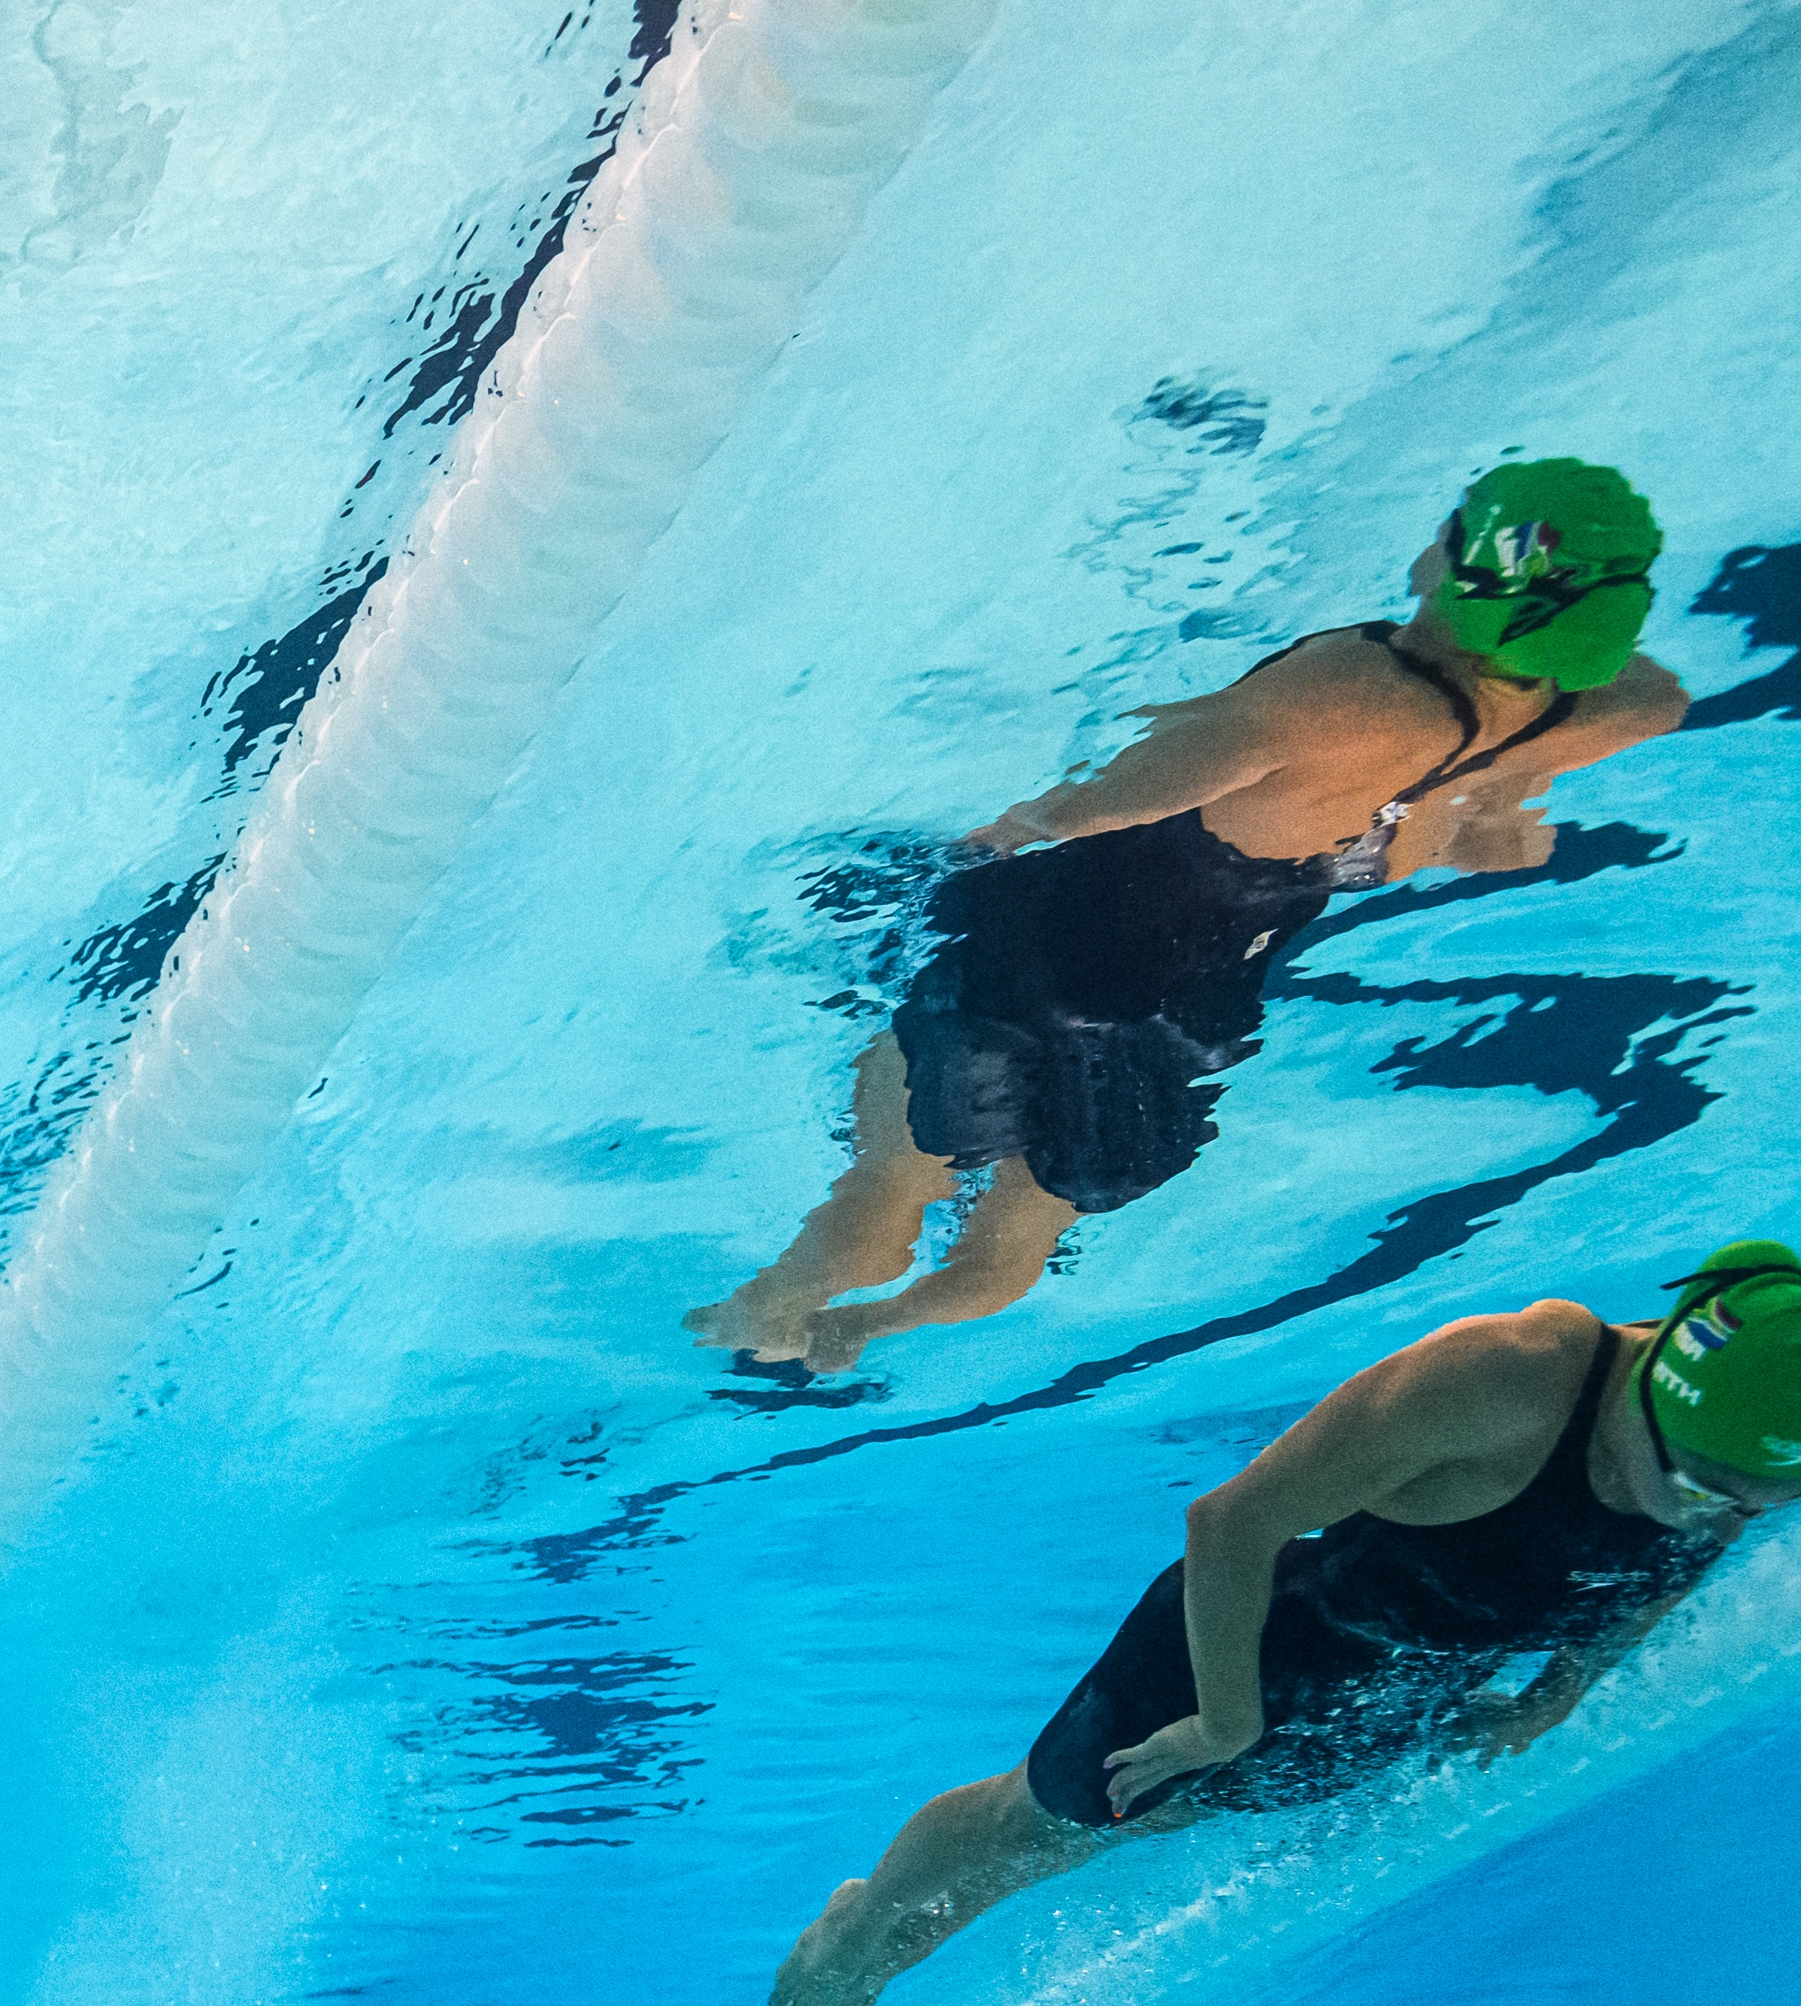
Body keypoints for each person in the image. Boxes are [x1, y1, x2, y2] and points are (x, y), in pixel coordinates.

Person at [696, 463, 1685, 1371]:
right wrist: (1492, 811)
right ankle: (867, 1330)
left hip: (1058, 946)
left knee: (885, 1188)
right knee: (1016, 1240)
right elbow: (1521, 774)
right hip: (1197, 1005)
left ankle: (746, 1326)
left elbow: (1102, 801)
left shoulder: (1346, 696)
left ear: (1453, 560)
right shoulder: (1614, 706)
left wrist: (999, 827)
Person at [771, 1245, 1801, 2006]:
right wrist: (1223, 1722)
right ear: (1662, 1388)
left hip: (1380, 1702)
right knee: (1031, 1817)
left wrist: (1562, 1685)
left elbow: (1654, 1572)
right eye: (1704, 1490)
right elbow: (1232, 1519)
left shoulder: (1720, 1472)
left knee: (1101, 1843)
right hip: (1240, 1655)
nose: (1716, 1520)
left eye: (1761, 1505)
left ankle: (902, 1938)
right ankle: (863, 1917)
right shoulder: (1506, 1381)